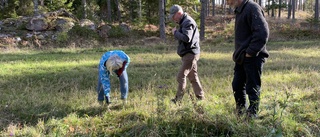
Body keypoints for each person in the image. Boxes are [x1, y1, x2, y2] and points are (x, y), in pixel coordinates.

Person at [227, 0, 269, 118]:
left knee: (252, 87)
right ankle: (240, 112)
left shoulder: (252, 8)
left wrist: (250, 52)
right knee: (237, 85)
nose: (226, 2)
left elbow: (262, 33)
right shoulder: (240, 9)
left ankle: (252, 114)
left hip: (253, 56)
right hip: (242, 57)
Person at [168, 4, 205, 103]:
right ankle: (200, 97)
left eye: (173, 16)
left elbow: (186, 38)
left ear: (179, 13)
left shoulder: (188, 22)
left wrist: (175, 33)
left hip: (190, 54)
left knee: (181, 76)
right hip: (188, 54)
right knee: (193, 77)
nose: (172, 18)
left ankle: (178, 100)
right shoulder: (183, 21)